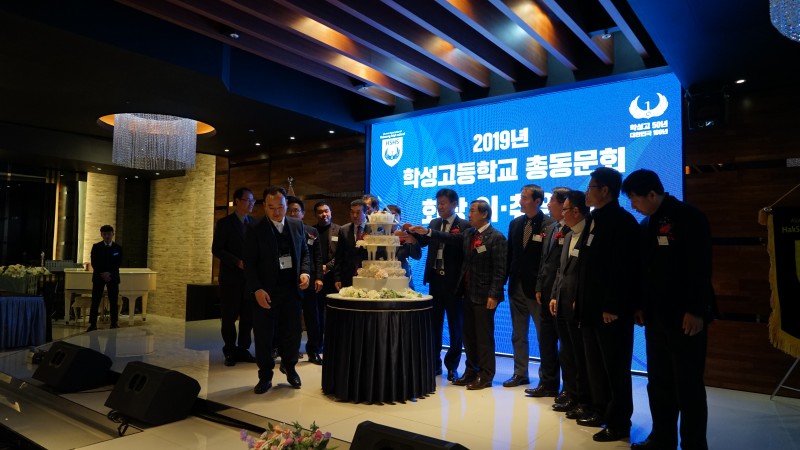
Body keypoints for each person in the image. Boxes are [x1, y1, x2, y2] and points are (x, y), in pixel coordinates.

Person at [622, 169, 715, 450]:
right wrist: (639, 305)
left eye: (635, 199)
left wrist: (696, 310)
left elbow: (700, 267)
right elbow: (642, 271)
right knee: (659, 383)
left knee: (688, 386)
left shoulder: (689, 217)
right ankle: (662, 439)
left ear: (652, 194)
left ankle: (694, 444)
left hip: (685, 316)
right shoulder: (646, 224)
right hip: (656, 317)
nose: (633, 205)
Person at [575, 167, 641, 442]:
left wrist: (613, 305)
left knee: (616, 370)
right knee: (596, 367)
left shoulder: (622, 222)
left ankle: (619, 423)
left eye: (591, 187)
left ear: (605, 190)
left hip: (610, 312)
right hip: (591, 309)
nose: (587, 192)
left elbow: (624, 270)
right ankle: (601, 411)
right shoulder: (593, 218)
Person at [244, 186, 310, 394]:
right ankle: (265, 375)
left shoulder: (297, 225)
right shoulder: (255, 228)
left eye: (280, 206)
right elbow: (249, 263)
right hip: (266, 292)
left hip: (291, 290)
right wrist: (256, 289)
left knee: (293, 333)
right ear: (265, 206)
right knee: (264, 336)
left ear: (286, 205)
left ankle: (290, 367)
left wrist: (305, 273)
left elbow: (304, 253)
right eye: (271, 207)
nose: (276, 211)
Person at [407, 188, 471, 381]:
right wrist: (413, 232)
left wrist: (429, 232)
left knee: (455, 326)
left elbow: (455, 241)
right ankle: (434, 364)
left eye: (443, 203)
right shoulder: (435, 223)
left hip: (454, 283)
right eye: (438, 203)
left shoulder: (464, 225)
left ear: (454, 204)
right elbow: (425, 241)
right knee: (434, 325)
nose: (439, 207)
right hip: (435, 280)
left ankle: (452, 366)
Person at [452, 199, 507, 390]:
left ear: (484, 214)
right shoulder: (469, 233)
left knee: (484, 337)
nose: (469, 214)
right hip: (467, 292)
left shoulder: (496, 237)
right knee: (468, 336)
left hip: (485, 295)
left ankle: (485, 375)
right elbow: (451, 239)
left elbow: (500, 270)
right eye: (469, 211)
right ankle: (471, 371)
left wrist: (494, 294)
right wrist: (428, 233)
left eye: (473, 211)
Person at [505, 184, 556, 389]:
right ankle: (520, 373)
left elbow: (549, 261)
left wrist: (542, 286)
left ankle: (547, 378)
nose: (521, 201)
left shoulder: (550, 224)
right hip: (516, 286)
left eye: (525, 198)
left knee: (544, 336)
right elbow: (510, 256)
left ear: (538, 201)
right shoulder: (515, 223)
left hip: (538, 291)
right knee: (518, 334)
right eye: (521, 197)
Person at [549, 191, 594, 421]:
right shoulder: (567, 235)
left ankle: (584, 398)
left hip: (579, 304)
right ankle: (571, 393)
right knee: (566, 352)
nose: (562, 214)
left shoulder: (589, 234)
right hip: (562, 301)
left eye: (565, 209)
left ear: (576, 211)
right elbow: (561, 270)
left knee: (580, 355)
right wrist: (555, 295)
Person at [531, 187, 570, 401]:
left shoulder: (573, 229)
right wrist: (539, 286)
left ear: (564, 204)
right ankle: (548, 383)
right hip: (545, 293)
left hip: (561, 296)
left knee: (566, 347)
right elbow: (543, 262)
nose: (548, 204)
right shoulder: (552, 227)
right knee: (546, 342)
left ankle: (569, 389)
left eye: (552, 200)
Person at [211, 187, 257, 366]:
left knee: (248, 316)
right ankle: (229, 349)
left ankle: (243, 349)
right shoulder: (225, 223)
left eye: (253, 200)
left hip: (250, 279)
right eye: (248, 200)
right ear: (237, 201)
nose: (252, 203)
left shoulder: (254, 223)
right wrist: (237, 262)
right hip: (231, 278)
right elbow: (217, 249)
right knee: (229, 316)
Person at [286, 196, 324, 365]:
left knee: (312, 317)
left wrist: (319, 278)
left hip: (310, 280)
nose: (293, 213)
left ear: (303, 213)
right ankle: (290, 349)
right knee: (291, 318)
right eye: (290, 210)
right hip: (289, 281)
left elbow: (317, 257)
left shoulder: (311, 231)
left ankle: (313, 350)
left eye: (296, 210)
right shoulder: (282, 230)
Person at [313, 200, 340, 350]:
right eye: (320, 212)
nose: (324, 214)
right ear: (316, 215)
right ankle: (318, 344)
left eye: (326, 211)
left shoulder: (340, 230)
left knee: (333, 312)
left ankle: (333, 343)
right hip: (317, 278)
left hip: (334, 278)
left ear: (330, 212)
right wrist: (319, 269)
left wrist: (328, 267)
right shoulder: (311, 231)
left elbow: (342, 254)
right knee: (317, 313)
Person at [87, 225, 122, 332]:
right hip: (99, 276)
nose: (107, 236)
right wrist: (103, 273)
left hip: (113, 277)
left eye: (109, 234)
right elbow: (94, 262)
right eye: (104, 234)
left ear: (113, 234)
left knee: (113, 300)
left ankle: (114, 323)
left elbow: (118, 263)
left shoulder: (118, 248)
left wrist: (109, 273)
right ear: (101, 235)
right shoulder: (96, 247)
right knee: (95, 300)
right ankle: (93, 324)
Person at [334, 199, 372, 291]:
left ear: (365, 213)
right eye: (352, 212)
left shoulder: (373, 229)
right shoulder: (343, 230)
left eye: (358, 213)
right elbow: (339, 256)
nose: (354, 216)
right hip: (347, 276)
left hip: (368, 275)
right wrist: (337, 277)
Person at [387, 204, 421, 290]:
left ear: (400, 219)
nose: (392, 218)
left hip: (404, 281)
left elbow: (417, 256)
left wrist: (413, 241)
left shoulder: (406, 235)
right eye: (389, 215)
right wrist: (393, 237)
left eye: (395, 215)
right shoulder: (377, 236)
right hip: (383, 281)